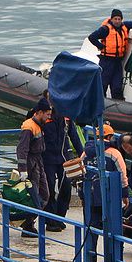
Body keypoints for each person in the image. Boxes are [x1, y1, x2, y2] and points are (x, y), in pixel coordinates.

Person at [80, 124, 129, 262]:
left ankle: (90, 260)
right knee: (114, 231)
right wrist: (125, 195)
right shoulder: (114, 153)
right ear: (109, 137)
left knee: (90, 230)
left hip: (90, 198)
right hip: (109, 199)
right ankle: (114, 261)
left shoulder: (85, 153)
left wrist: (82, 195)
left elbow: (80, 173)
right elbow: (122, 175)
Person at [41, 98, 84, 232]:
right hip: (47, 157)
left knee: (65, 186)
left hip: (64, 156)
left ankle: (60, 217)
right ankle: (51, 220)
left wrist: (82, 153)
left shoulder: (66, 116)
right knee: (49, 187)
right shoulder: (43, 116)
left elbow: (74, 136)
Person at [16, 97, 52, 237]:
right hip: (31, 164)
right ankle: (28, 225)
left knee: (45, 195)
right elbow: (22, 150)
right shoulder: (28, 127)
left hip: (38, 161)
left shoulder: (39, 125)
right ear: (40, 112)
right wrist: (23, 170)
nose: (49, 117)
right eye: (47, 114)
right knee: (34, 197)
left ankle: (28, 221)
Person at [87, 9, 132, 100]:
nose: (117, 21)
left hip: (117, 61)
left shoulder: (124, 26)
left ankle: (117, 102)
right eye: (115, 19)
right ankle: (100, 102)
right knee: (103, 83)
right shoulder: (105, 29)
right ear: (111, 19)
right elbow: (92, 37)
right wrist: (101, 46)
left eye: (119, 19)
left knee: (117, 85)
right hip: (106, 61)